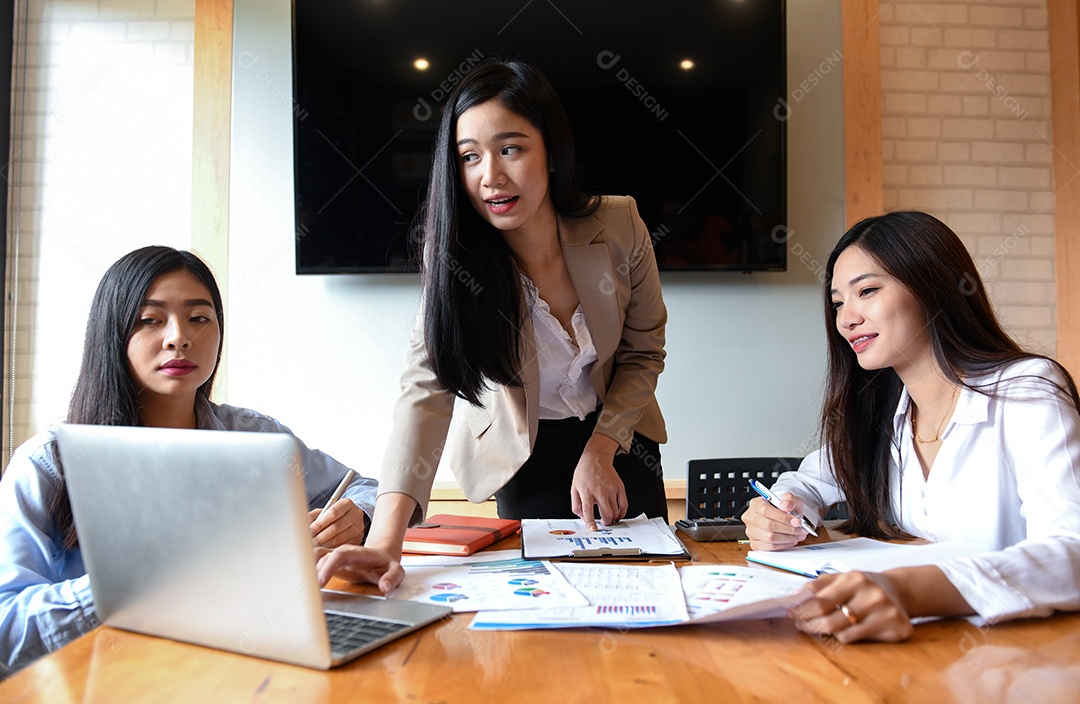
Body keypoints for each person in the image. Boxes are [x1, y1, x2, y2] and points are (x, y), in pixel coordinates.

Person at [317, 59, 668, 592]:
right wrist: (384, 544)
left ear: (551, 150)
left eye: (511, 148)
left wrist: (600, 449)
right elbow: (425, 393)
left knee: (648, 591)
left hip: (621, 439)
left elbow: (644, 351)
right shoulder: (453, 258)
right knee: (544, 611)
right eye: (469, 157)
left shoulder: (619, 224)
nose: (490, 177)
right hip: (522, 452)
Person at [0, 246, 378, 675]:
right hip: (111, 679)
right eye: (150, 320)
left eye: (199, 318)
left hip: (245, 665)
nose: (179, 336)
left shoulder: (254, 436)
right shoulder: (48, 461)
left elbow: (368, 488)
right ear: (112, 333)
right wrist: (133, 584)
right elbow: (6, 625)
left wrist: (359, 517)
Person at [742, 211, 1080, 643]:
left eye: (866, 291)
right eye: (838, 303)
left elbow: (1071, 552)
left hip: (1022, 653)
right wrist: (787, 510)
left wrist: (907, 590)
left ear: (931, 286)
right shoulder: (881, 410)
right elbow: (809, 480)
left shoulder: (1026, 391)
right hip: (920, 647)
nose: (846, 319)